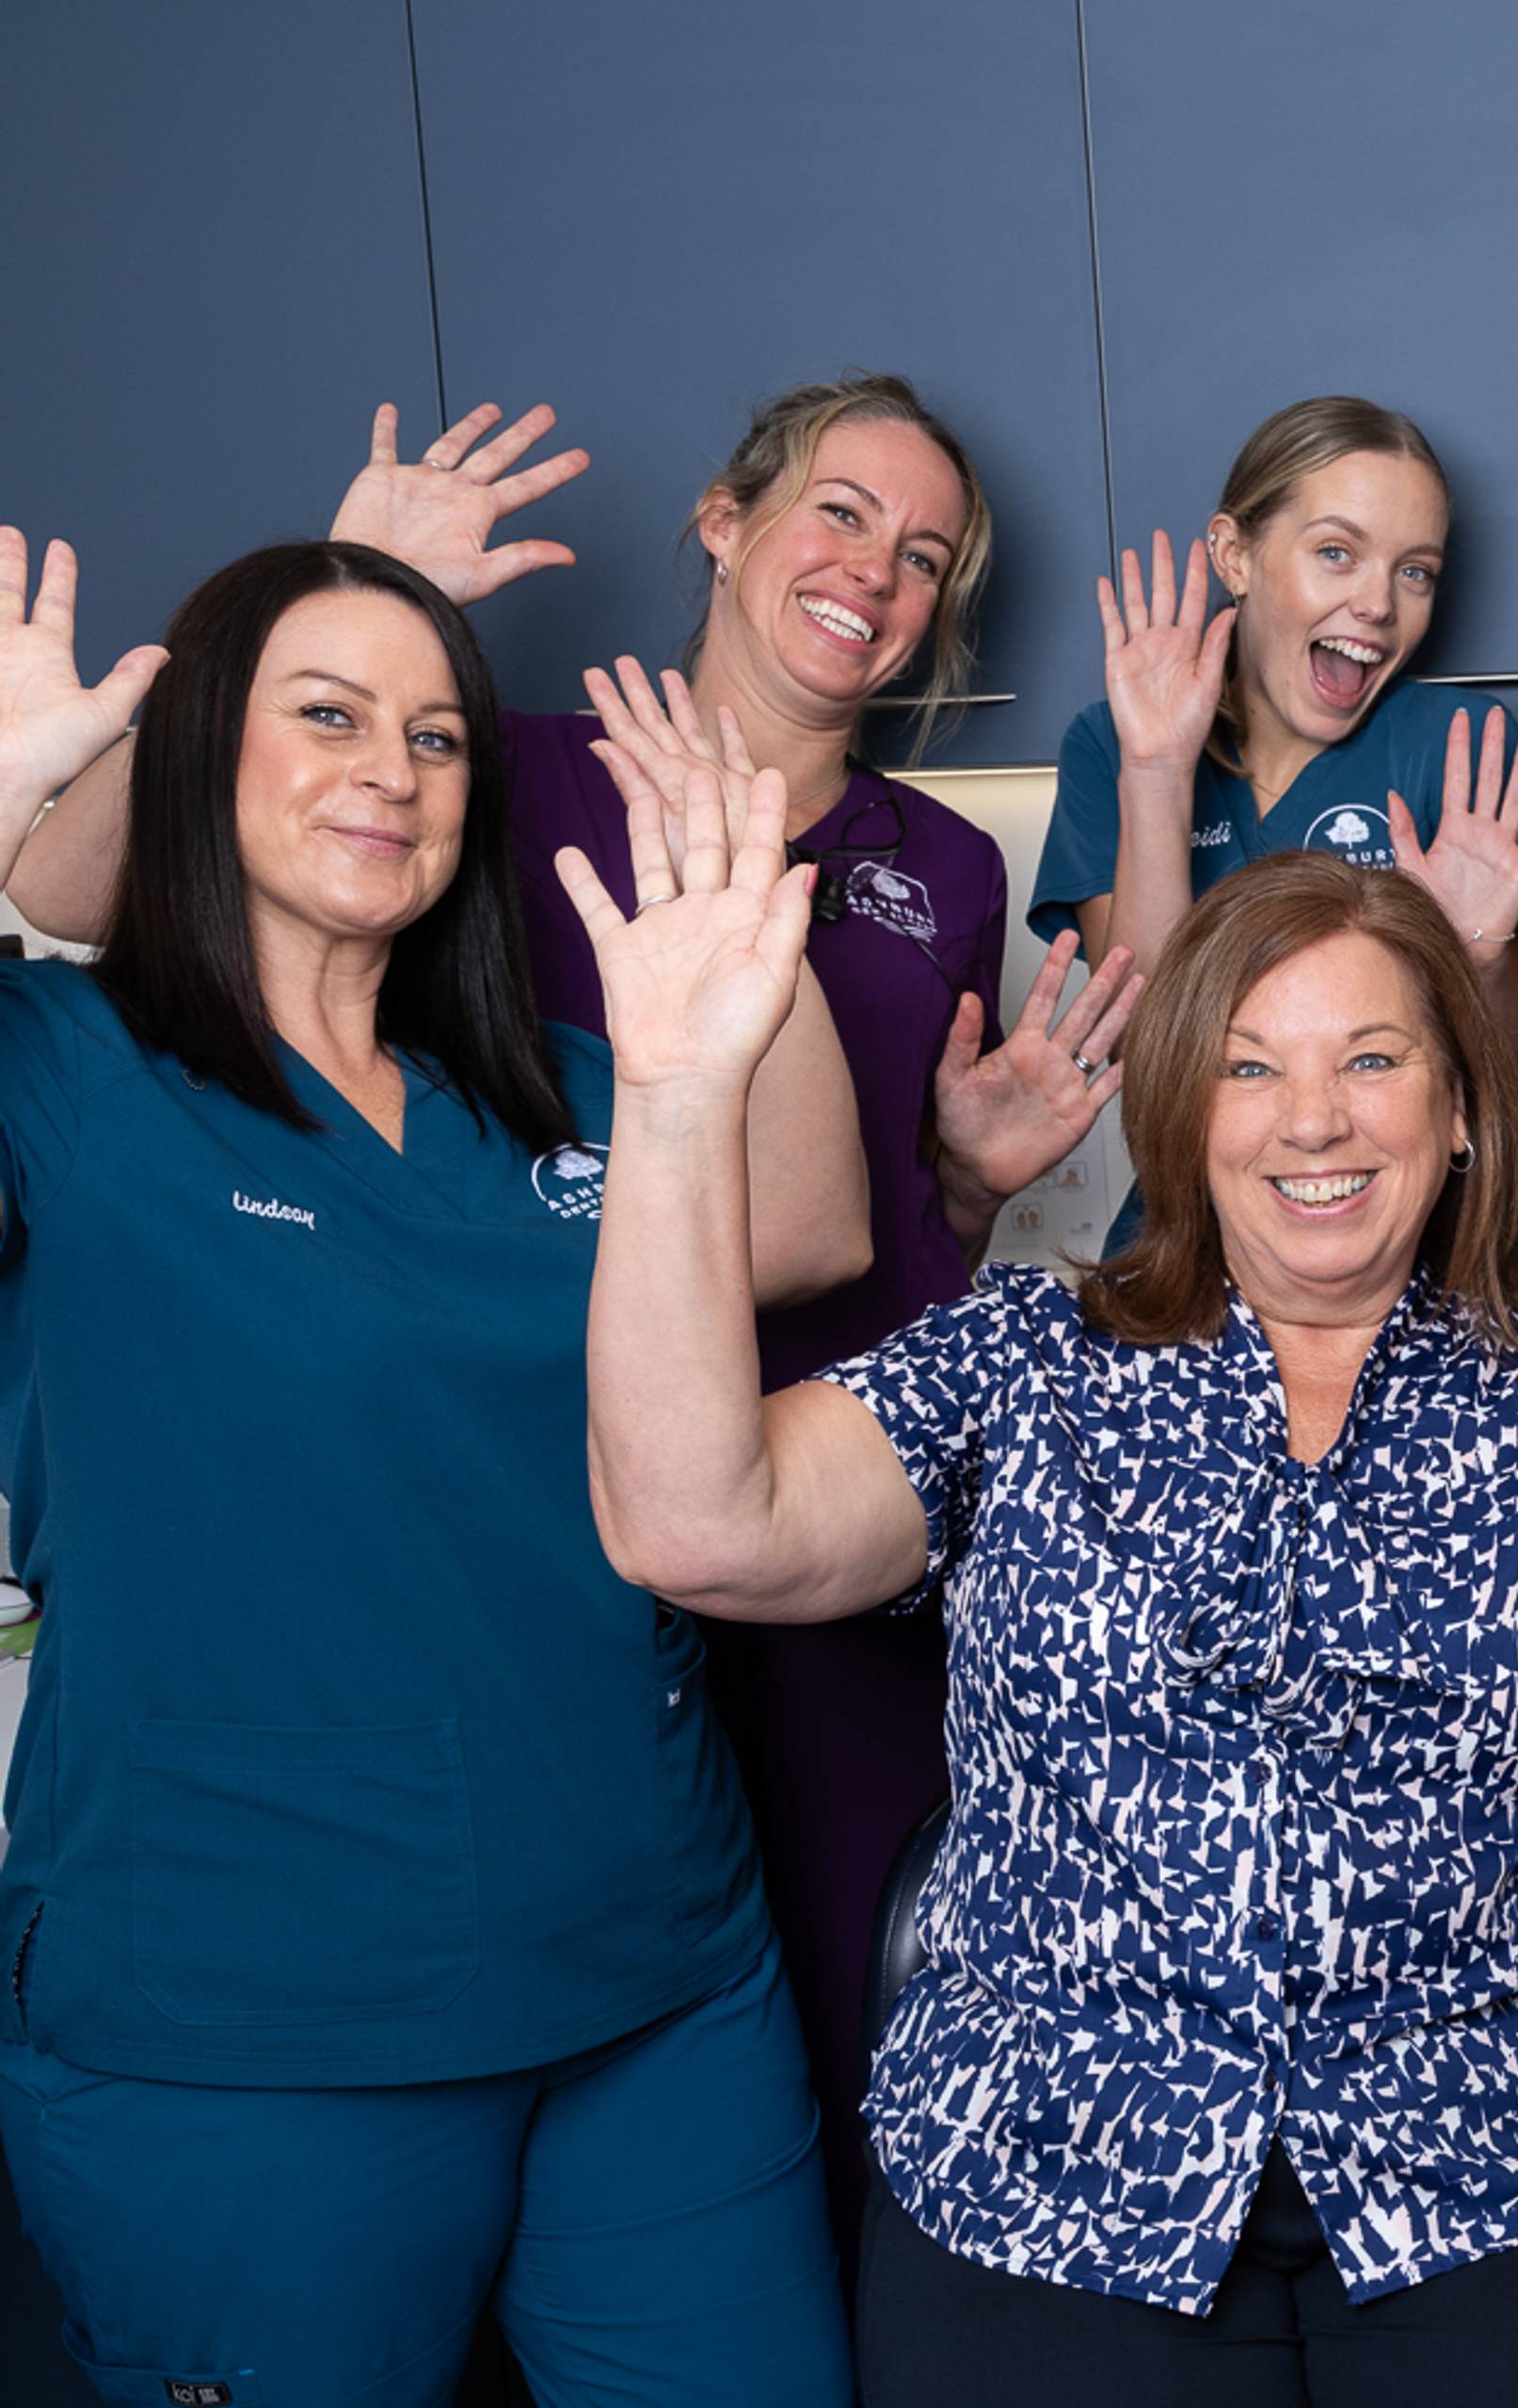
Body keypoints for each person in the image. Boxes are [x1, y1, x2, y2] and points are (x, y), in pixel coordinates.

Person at [565, 785, 1518, 2402]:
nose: (1315, 1118)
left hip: (1494, 2145)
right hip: (1048, 2154)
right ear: (1186, 1114)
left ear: (1459, 1107)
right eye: (1252, 1064)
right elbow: (693, 1522)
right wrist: (669, 1095)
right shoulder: (1029, 1357)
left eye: (1372, 1058)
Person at [1, 377, 1133, 2252]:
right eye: (841, 512)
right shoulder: (491, 770)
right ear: (720, 517)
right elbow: (91, 886)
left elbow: (821, 1222)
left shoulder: (928, 864)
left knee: (838, 1959)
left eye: (926, 553)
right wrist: (356, 579)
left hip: (813, 1494)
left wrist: (960, 1177)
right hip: (526, 1510)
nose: (879, 571)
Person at [0, 532, 870, 2401]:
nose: (393, 769)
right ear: (201, 752)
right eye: (326, 717)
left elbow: (801, 1224)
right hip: (253, 2022)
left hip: (657, 1980)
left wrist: (745, 933)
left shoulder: (543, 1090)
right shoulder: (64, 1073)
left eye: (436, 736)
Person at [1037, 395, 1518, 1124]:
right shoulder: (1115, 744)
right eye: (1336, 552)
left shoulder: (1469, 750)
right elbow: (1144, 1061)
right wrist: (1157, 775)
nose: (1378, 603)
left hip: (1430, 1225)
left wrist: (1478, 962)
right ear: (1235, 554)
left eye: (1415, 572)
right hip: (1200, 1220)